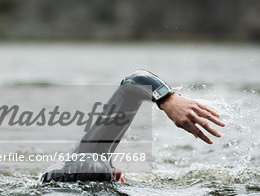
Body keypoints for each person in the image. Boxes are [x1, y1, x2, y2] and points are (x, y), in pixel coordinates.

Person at [41, 69, 224, 184]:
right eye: (111, 175)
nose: (118, 173)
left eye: (112, 174)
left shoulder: (87, 157)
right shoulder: (90, 168)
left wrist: (167, 98)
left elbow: (134, 81)